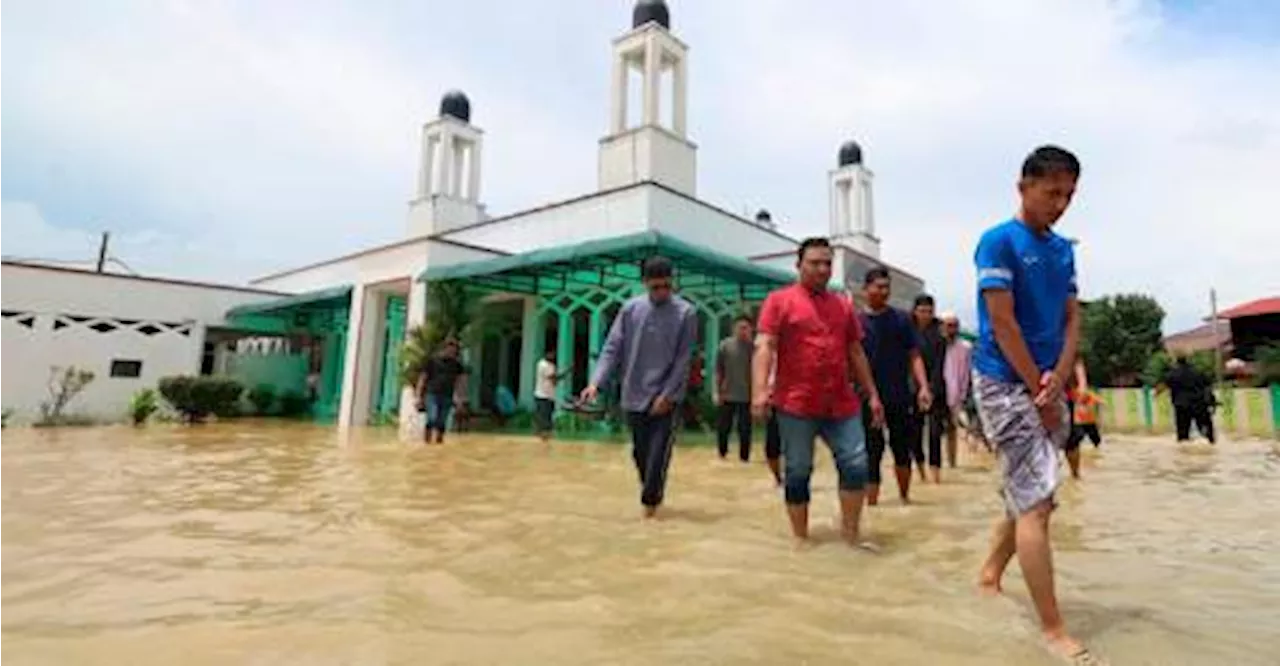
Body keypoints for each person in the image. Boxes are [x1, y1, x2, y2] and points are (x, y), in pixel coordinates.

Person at [971, 145, 1099, 664]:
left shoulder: (1064, 249)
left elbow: (1072, 319)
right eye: (1052, 193)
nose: (1061, 204)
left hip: (1050, 381)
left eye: (1069, 195)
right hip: (1003, 381)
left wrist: (1062, 376)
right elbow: (1003, 324)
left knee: (1030, 493)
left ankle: (988, 577)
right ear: (1023, 187)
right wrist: (1036, 387)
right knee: (1037, 505)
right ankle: (1052, 631)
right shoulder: (997, 242)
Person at [751, 237, 883, 547]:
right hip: (795, 403)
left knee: (856, 464)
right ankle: (801, 539)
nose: (823, 269)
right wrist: (759, 391)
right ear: (799, 266)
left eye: (827, 263)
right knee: (797, 470)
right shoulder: (779, 301)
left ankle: (851, 536)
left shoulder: (842, 305)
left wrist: (873, 394)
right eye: (815, 263)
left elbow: (855, 351)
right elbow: (765, 346)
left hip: (842, 402)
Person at [580, 256, 697, 519]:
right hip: (633, 394)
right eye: (655, 287)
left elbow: (683, 359)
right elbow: (612, 348)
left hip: (667, 398)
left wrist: (667, 395)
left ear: (672, 283)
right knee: (639, 454)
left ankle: (650, 511)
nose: (661, 293)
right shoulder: (630, 310)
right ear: (644, 283)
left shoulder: (686, 313)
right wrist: (595, 382)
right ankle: (653, 496)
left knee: (658, 456)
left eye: (666, 286)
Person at [859, 267, 932, 504]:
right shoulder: (856, 321)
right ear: (865, 289)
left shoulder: (901, 319)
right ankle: (872, 505)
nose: (883, 291)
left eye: (886, 287)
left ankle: (904, 497)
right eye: (878, 286)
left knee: (902, 449)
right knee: (871, 451)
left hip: (899, 394)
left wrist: (923, 386)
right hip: (866, 396)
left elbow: (914, 355)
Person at [912, 294, 950, 483]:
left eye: (929, 311)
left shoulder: (939, 332)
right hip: (911, 386)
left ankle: (936, 473)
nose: (925, 315)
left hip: (936, 386)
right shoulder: (908, 330)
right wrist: (918, 388)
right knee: (915, 432)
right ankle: (920, 471)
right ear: (915, 311)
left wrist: (930, 389)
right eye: (922, 311)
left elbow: (939, 364)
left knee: (935, 432)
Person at [715, 316, 755, 462]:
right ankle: (722, 452)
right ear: (734, 329)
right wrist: (718, 391)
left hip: (747, 395)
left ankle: (744, 456)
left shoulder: (754, 348)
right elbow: (719, 369)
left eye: (746, 328)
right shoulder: (725, 346)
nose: (743, 331)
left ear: (751, 329)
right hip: (728, 393)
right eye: (740, 327)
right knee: (723, 426)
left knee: (745, 428)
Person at [415, 339, 469, 444]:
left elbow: (460, 383)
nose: (452, 353)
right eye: (450, 350)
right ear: (444, 349)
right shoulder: (432, 361)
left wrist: (460, 400)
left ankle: (439, 442)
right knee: (432, 417)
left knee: (442, 421)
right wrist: (418, 396)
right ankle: (427, 441)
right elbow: (423, 378)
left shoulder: (456, 365)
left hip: (447, 395)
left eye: (454, 351)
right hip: (432, 394)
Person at [941, 312, 974, 459]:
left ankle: (953, 461)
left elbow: (967, 373)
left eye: (954, 326)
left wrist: (963, 393)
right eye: (948, 326)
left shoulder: (966, 347)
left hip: (958, 393)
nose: (951, 329)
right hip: (939, 390)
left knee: (953, 427)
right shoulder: (936, 345)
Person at [1163, 355, 1216, 444]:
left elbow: (1166, 385)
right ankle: (1211, 445)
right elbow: (1208, 386)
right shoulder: (1198, 372)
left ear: (1176, 362)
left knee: (1183, 434)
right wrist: (1212, 401)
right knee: (1206, 431)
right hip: (1199, 404)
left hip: (1181, 405)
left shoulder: (1173, 374)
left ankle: (1183, 452)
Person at [533, 350, 567, 442]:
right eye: (551, 354)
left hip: (547, 394)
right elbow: (553, 379)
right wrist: (564, 374)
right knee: (544, 415)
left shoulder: (545, 364)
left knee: (545, 415)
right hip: (544, 394)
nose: (552, 356)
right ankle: (542, 434)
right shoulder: (545, 365)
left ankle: (543, 435)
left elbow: (553, 380)